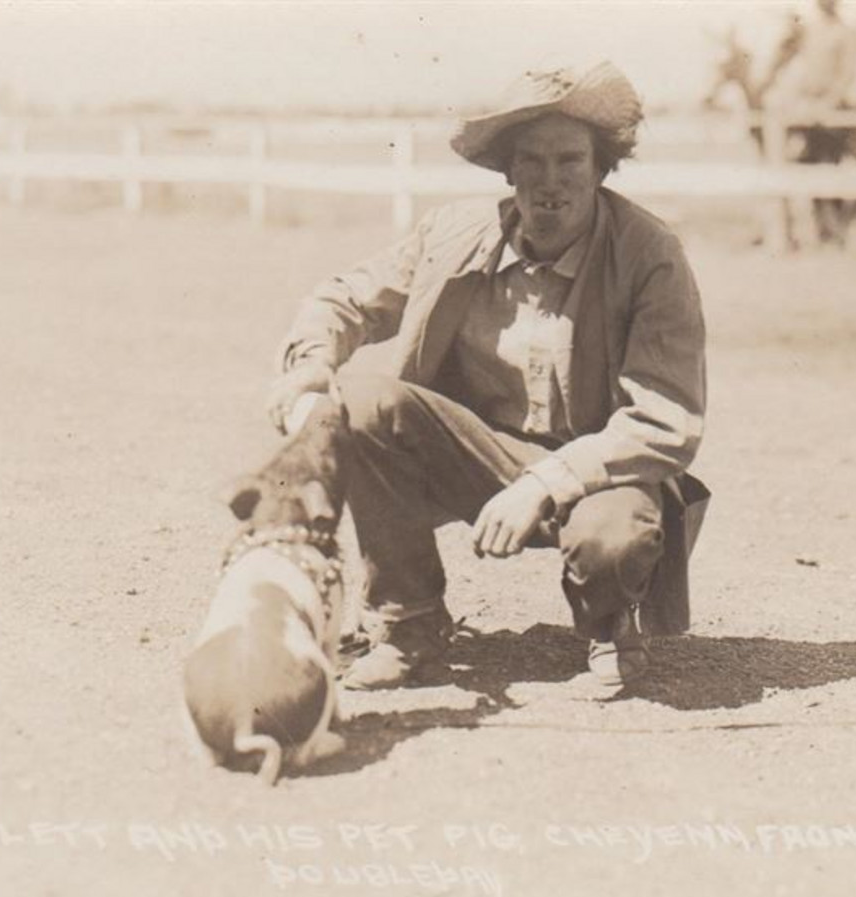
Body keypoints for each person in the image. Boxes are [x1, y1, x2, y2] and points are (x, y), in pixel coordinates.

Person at [265, 62, 709, 692]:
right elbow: (346, 298)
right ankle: (409, 623)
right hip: (471, 454)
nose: (550, 184)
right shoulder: (454, 234)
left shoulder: (649, 255)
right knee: (361, 399)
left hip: (597, 473)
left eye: (570, 161)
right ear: (507, 171)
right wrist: (309, 365)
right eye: (531, 162)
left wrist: (543, 485)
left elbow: (664, 420)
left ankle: (612, 627)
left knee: (611, 539)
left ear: (601, 168)